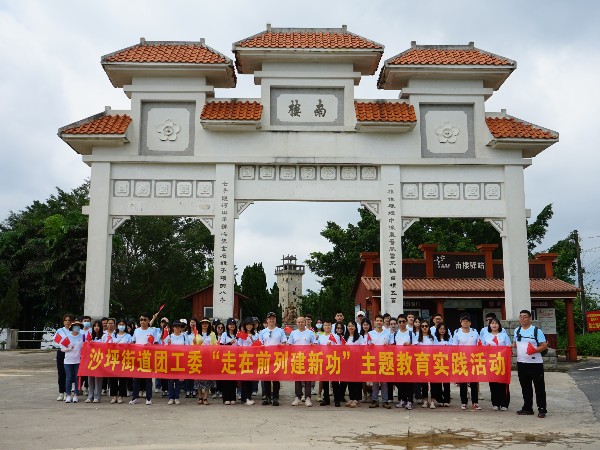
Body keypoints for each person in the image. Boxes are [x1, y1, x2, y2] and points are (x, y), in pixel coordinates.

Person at [513, 309, 548, 418]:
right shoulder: (517, 330)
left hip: (535, 363)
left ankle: (542, 409)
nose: (522, 319)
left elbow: (544, 345)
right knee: (525, 387)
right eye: (520, 317)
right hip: (521, 363)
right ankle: (527, 407)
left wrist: (535, 350)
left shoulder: (536, 331)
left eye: (525, 316)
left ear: (530, 318)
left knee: (539, 387)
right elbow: (514, 344)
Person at [452, 313, 481, 411]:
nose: (465, 322)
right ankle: (464, 402)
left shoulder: (475, 332)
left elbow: (479, 345)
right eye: (463, 321)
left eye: (467, 321)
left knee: (473, 383)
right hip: (462, 360)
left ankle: (475, 402)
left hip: (473, 360)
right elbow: (454, 347)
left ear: (470, 322)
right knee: (463, 383)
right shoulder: (457, 333)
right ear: (460, 322)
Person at [129, 312, 159, 405]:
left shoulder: (152, 331)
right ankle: (135, 397)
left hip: (148, 357)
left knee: (148, 379)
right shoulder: (136, 331)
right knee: (136, 378)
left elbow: (157, 344)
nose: (142, 322)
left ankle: (148, 398)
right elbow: (133, 342)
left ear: (148, 321)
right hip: (138, 357)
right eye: (141, 319)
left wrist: (151, 346)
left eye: (144, 320)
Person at [482, 318, 511, 411]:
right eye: (492, 323)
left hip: (502, 362)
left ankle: (504, 404)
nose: (494, 325)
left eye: (496, 323)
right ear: (489, 325)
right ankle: (495, 403)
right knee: (493, 383)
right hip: (491, 363)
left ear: (499, 325)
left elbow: (509, 347)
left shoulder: (504, 335)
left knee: (503, 383)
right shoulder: (486, 336)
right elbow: (481, 349)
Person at [259, 312, 287, 406]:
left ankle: (275, 397)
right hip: (266, 357)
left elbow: (284, 343)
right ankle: (267, 397)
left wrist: (280, 346)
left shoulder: (280, 331)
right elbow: (260, 344)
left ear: (275, 320)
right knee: (266, 378)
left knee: (276, 378)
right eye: (269, 319)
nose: (271, 320)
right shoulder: (263, 332)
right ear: (267, 320)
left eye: (273, 318)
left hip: (277, 357)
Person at [288, 316, 316, 407]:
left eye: (302, 322)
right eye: (298, 322)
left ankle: (308, 398)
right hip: (297, 358)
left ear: (305, 322)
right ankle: (298, 397)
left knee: (307, 379)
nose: (300, 324)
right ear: (296, 323)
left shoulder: (310, 333)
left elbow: (315, 344)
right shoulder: (293, 333)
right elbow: (290, 345)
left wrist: (312, 345)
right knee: (297, 378)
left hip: (308, 358)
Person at [393, 314, 416, 410]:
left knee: (408, 382)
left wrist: (409, 345)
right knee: (400, 382)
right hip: (399, 360)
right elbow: (392, 346)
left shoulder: (411, 333)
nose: (402, 323)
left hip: (409, 360)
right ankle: (402, 399)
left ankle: (410, 400)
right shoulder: (395, 334)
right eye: (400, 322)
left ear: (406, 322)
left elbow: (416, 346)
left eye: (403, 321)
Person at [368, 315, 391, 409]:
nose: (379, 322)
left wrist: (387, 345)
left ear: (383, 322)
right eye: (377, 320)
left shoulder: (387, 333)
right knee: (375, 381)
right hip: (374, 360)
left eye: (380, 321)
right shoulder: (370, 333)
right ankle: (375, 400)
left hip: (384, 359)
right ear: (374, 322)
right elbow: (367, 347)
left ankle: (385, 401)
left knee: (384, 382)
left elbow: (391, 345)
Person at [163, 320, 189, 405]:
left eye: (179, 327)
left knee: (178, 380)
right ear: (173, 328)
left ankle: (177, 397)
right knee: (171, 380)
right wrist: (168, 345)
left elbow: (188, 348)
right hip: (171, 360)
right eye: (175, 327)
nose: (177, 329)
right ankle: (171, 397)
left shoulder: (184, 337)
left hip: (180, 360)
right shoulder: (169, 337)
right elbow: (163, 348)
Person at [106, 318, 131, 404]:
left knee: (122, 378)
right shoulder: (113, 335)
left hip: (123, 359)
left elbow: (130, 347)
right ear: (117, 326)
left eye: (122, 324)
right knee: (113, 378)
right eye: (119, 324)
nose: (121, 326)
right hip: (114, 359)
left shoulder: (128, 336)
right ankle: (114, 395)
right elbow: (109, 345)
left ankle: (121, 395)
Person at [60, 319, 84, 403]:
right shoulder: (67, 337)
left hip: (78, 361)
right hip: (68, 361)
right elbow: (62, 349)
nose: (76, 328)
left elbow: (85, 347)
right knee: (69, 378)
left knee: (77, 378)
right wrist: (68, 349)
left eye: (78, 326)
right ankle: (68, 395)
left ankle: (76, 395)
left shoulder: (82, 336)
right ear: (72, 327)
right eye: (75, 326)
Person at [194, 318, 217, 405]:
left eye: (206, 323)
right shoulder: (197, 334)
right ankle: (200, 397)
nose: (204, 325)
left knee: (207, 378)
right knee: (198, 378)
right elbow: (193, 346)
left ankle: (205, 398)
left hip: (208, 358)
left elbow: (215, 345)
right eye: (203, 323)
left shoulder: (212, 334)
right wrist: (194, 343)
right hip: (198, 358)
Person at [415, 319, 438, 409]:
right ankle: (425, 400)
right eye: (422, 326)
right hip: (422, 361)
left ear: (429, 327)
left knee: (433, 382)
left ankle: (432, 400)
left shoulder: (433, 337)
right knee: (423, 382)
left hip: (431, 361)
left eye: (426, 326)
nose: (424, 328)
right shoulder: (417, 337)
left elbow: (437, 349)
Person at [237, 317, 259, 405]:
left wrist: (252, 339)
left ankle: (249, 397)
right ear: (245, 326)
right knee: (245, 379)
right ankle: (244, 398)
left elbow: (258, 346)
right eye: (247, 325)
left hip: (253, 358)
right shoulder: (242, 334)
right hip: (244, 358)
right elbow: (239, 347)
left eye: (250, 325)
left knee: (251, 379)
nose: (249, 326)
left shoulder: (256, 335)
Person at [343, 320, 364, 408]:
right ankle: (351, 397)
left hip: (357, 361)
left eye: (352, 326)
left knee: (357, 381)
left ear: (355, 327)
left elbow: (363, 348)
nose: (350, 327)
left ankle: (357, 399)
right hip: (348, 362)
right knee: (350, 381)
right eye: (349, 326)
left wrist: (354, 349)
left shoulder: (359, 337)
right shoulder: (345, 338)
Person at [219, 318, 239, 405]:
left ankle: (232, 397)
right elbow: (221, 346)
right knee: (226, 379)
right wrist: (230, 343)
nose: (232, 325)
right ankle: (226, 398)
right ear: (227, 325)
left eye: (233, 324)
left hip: (234, 359)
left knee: (233, 379)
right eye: (230, 324)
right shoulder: (224, 334)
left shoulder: (237, 335)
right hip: (226, 359)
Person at [432, 322, 451, 407]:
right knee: (438, 382)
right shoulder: (434, 339)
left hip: (447, 362)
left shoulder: (449, 338)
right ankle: (439, 399)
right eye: (440, 329)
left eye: (444, 329)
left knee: (446, 382)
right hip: (437, 362)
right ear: (438, 330)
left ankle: (446, 400)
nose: (442, 330)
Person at [55, 314, 73, 401]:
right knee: (61, 372)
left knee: (68, 374)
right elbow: (55, 342)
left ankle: (67, 392)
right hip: (61, 352)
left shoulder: (73, 331)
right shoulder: (60, 330)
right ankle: (61, 392)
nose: (67, 322)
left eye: (69, 320)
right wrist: (62, 345)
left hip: (70, 353)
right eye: (66, 320)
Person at [85, 320, 104, 403]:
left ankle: (97, 396)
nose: (96, 328)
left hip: (99, 360)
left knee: (98, 379)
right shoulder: (89, 336)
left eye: (98, 326)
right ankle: (90, 396)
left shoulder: (104, 336)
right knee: (90, 379)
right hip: (90, 360)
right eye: (95, 326)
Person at [317, 319, 334, 406]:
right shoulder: (321, 336)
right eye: (325, 325)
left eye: (329, 325)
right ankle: (326, 398)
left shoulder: (335, 336)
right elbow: (318, 348)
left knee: (334, 381)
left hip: (333, 360)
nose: (327, 327)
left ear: (331, 326)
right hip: (324, 360)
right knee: (325, 381)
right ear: (323, 327)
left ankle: (336, 399)